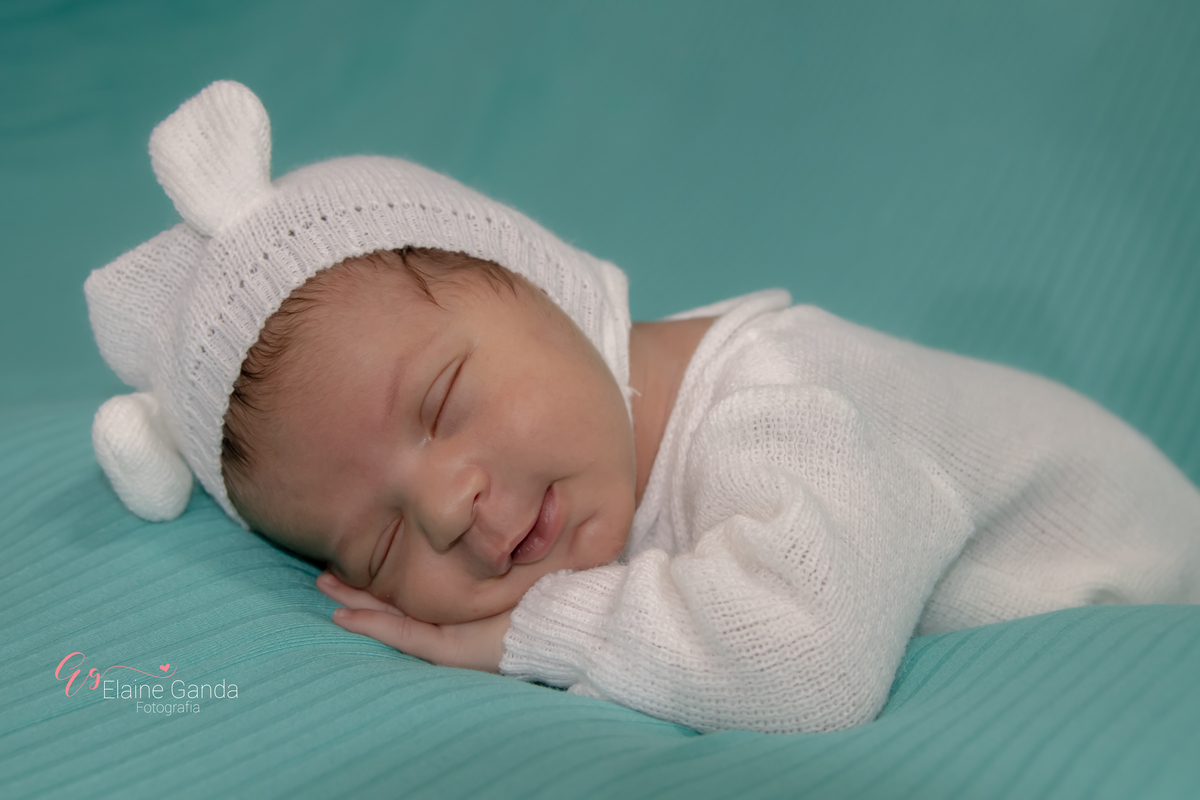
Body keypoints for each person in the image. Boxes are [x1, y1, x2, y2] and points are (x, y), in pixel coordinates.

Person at [86, 81, 1200, 735]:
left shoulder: (777, 399)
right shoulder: (604, 459)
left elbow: (810, 658)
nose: (443, 508)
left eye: (442, 400)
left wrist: (526, 634)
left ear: (539, 276)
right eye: (377, 544)